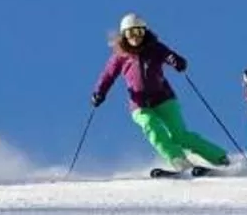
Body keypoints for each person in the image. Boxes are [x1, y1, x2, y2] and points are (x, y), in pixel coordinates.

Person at [92, 14, 232, 172]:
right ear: (124, 35)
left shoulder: (155, 48)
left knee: (179, 135)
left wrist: (177, 62)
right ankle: (178, 160)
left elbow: (170, 56)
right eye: (130, 33)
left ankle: (221, 158)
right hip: (139, 104)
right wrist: (99, 92)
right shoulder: (120, 56)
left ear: (145, 32)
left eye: (139, 32)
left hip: (164, 98)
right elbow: (108, 75)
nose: (135, 37)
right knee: (151, 127)